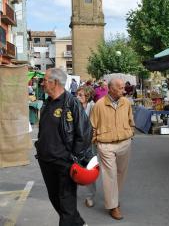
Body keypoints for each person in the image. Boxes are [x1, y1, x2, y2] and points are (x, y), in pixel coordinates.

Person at [35, 68, 92, 226]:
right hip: (46, 161)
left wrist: (74, 159)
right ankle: (79, 223)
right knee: (55, 199)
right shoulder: (47, 103)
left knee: (66, 203)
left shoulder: (71, 103)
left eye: (45, 80)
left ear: (55, 82)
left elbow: (85, 132)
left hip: (64, 163)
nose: (42, 83)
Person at [90, 78, 134, 220]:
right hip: (106, 145)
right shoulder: (99, 105)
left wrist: (130, 134)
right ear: (111, 89)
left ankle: (114, 198)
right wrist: (95, 141)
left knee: (121, 173)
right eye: (120, 88)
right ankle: (113, 206)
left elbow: (131, 120)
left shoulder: (126, 102)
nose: (124, 90)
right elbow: (92, 126)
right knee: (110, 174)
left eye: (123, 87)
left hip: (124, 143)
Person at [76, 85, 97, 208]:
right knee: (74, 169)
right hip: (76, 144)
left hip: (90, 144)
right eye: (77, 94)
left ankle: (90, 196)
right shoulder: (73, 107)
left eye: (80, 95)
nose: (77, 97)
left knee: (90, 169)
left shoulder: (93, 107)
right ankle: (71, 193)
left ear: (87, 97)